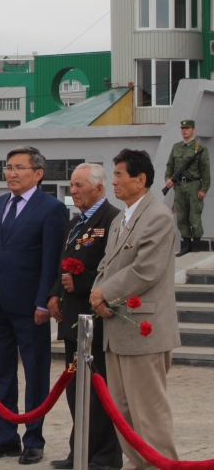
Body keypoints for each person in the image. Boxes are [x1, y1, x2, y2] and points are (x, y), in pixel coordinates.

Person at [0, 146, 68, 465]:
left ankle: (34, 440)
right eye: (8, 167)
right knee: (1, 372)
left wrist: (44, 300)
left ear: (38, 173)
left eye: (18, 167)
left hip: (31, 307)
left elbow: (51, 260)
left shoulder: (51, 209)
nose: (10, 173)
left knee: (35, 372)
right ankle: (5, 438)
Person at [91, 149, 181, 470]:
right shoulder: (120, 218)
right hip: (116, 328)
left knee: (149, 413)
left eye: (118, 175)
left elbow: (145, 270)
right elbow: (107, 265)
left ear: (140, 179)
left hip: (145, 331)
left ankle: (162, 465)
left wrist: (105, 294)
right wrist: (97, 296)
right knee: (124, 414)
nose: (113, 181)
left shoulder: (158, 217)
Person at [46, 164, 122, 470]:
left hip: (96, 318)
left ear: (98, 188)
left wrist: (84, 283)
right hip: (72, 317)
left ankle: (105, 455)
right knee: (77, 390)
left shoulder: (113, 219)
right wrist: (54, 293)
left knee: (98, 389)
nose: (73, 191)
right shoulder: (76, 221)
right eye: (71, 185)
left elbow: (114, 271)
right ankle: (80, 451)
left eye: (79, 185)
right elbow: (62, 262)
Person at [164, 119, 209, 257]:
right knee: (182, 216)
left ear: (193, 130)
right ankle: (186, 244)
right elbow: (170, 166)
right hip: (179, 186)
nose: (184, 131)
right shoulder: (176, 147)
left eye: (188, 128)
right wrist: (168, 179)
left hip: (194, 185)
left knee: (194, 215)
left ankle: (196, 244)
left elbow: (205, 171)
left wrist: (204, 189)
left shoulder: (199, 148)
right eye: (183, 128)